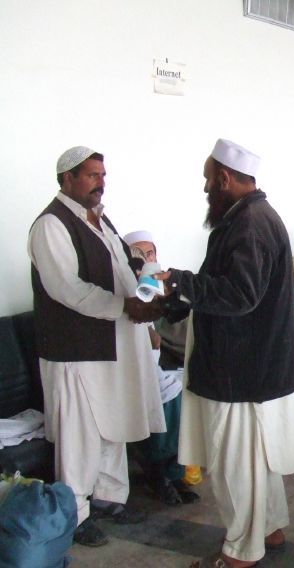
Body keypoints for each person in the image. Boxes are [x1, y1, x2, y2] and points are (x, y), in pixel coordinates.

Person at [157, 139, 294, 567]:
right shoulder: (251, 217)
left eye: (208, 180)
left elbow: (240, 296)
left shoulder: (250, 224)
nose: (206, 189)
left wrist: (180, 282)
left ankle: (241, 552)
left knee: (233, 466)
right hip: (252, 367)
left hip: (240, 373)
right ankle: (270, 529)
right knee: (256, 460)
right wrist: (178, 292)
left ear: (224, 178)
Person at [28, 146, 165, 547]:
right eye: (90, 175)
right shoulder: (51, 226)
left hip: (112, 345)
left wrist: (149, 287)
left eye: (102, 175)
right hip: (76, 351)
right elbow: (66, 289)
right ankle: (74, 512)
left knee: (111, 424)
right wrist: (125, 305)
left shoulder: (100, 221)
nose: (100, 182)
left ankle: (109, 498)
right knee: (79, 433)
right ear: (66, 179)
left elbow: (126, 269)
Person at [122, 229, 200, 506]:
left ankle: (175, 471)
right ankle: (159, 475)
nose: (145, 259)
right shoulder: (121, 287)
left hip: (158, 361)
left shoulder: (161, 284)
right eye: (138, 255)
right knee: (159, 397)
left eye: (150, 253)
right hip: (128, 368)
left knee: (180, 389)